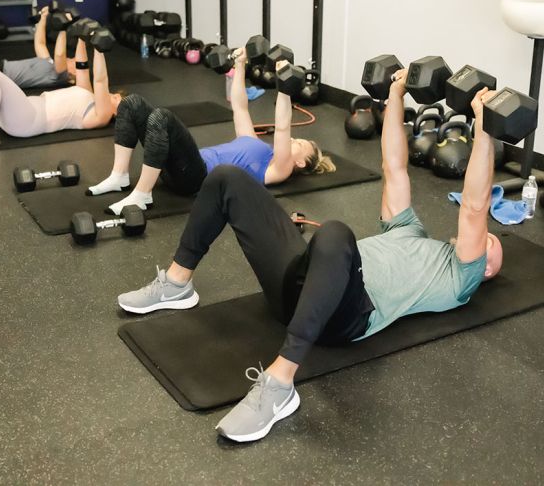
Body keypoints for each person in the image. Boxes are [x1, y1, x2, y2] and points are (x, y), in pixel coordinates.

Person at [115, 70, 503, 443]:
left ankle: (280, 383)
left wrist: (484, 131)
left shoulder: (460, 278)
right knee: (227, 177)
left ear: (483, 269)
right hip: (297, 288)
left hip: (344, 317)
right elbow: (394, 167)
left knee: (335, 233)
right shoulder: (409, 228)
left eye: (489, 244)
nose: (486, 238)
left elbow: (473, 206)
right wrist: (396, 97)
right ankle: (177, 283)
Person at [86, 47, 335, 216]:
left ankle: (142, 194)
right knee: (132, 103)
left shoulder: (279, 169)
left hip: (196, 177)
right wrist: (240, 64)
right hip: (182, 164)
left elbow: (282, 128)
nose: (294, 139)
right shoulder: (254, 143)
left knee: (162, 117)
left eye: (300, 143)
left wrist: (284, 87)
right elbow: (239, 107)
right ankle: (119, 176)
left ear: (301, 162)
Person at [0, 36, 120, 155]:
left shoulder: (101, 116)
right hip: (19, 110)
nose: (116, 95)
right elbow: (82, 66)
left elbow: (101, 81)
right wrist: (82, 38)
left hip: (27, 121)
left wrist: (99, 49)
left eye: (119, 99)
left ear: (116, 113)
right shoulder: (86, 92)